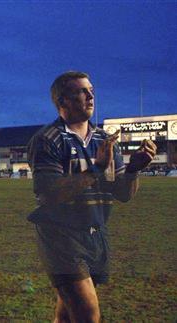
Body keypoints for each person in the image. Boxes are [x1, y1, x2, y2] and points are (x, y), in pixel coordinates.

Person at [27, 71, 157, 322]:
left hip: (96, 234)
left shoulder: (104, 140)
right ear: (62, 101)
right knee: (87, 314)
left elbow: (123, 194)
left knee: (67, 314)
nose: (90, 96)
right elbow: (49, 194)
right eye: (81, 91)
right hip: (61, 237)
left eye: (91, 90)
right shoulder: (47, 140)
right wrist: (96, 169)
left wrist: (133, 169)